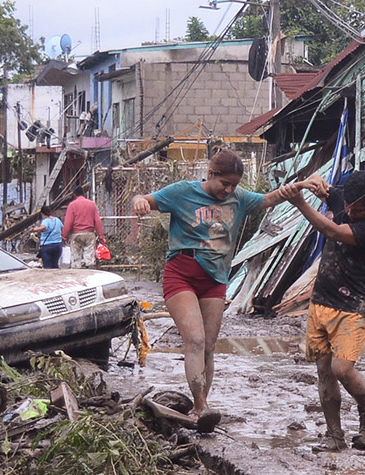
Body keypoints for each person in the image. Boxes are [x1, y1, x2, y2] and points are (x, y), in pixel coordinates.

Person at [132, 149, 327, 432]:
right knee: (195, 341)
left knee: (209, 347)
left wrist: (305, 183)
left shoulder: (240, 199)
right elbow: (144, 200)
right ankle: (201, 407)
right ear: (211, 174)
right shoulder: (182, 192)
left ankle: (201, 407)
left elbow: (273, 197)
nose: (229, 189)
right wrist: (139, 201)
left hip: (215, 279)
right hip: (181, 274)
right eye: (225, 183)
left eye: (234, 184)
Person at [285, 170, 365, 451]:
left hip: (354, 305)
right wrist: (313, 182)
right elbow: (324, 187)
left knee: (341, 368)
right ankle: (334, 434)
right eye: (348, 207)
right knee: (324, 371)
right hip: (322, 300)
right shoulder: (348, 202)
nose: (351, 212)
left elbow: (333, 231)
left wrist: (302, 204)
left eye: (359, 210)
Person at [63, 184, 105, 268]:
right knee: (89, 257)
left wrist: (64, 236)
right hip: (89, 234)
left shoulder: (72, 205)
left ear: (74, 194)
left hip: (76, 234)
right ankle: (90, 271)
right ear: (83, 194)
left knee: (76, 257)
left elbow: (68, 222)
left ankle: (77, 273)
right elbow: (97, 221)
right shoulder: (92, 204)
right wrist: (101, 236)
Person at [30, 204, 65, 269]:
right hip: (57, 246)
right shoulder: (57, 220)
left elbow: (43, 227)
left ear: (42, 213)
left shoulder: (45, 221)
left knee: (47, 267)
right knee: (55, 265)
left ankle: (49, 278)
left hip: (47, 247)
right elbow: (63, 228)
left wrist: (34, 230)